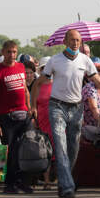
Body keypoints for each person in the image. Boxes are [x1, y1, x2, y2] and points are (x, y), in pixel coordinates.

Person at [33, 29, 100, 198]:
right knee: (60, 146)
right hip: (57, 106)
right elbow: (38, 83)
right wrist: (33, 105)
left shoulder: (85, 60)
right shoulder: (55, 60)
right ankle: (68, 186)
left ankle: (62, 179)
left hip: (76, 108)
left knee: (73, 148)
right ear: (65, 41)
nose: (76, 43)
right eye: (73, 40)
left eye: (78, 41)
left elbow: (99, 82)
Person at [0, 41, 32, 194]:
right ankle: (9, 184)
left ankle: (22, 182)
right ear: (3, 52)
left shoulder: (21, 67)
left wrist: (30, 108)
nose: (12, 55)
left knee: (25, 149)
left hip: (24, 115)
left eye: (14, 51)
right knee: (11, 151)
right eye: (8, 52)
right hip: (6, 117)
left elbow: (25, 89)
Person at [30, 56, 55, 189]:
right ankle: (45, 180)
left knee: (57, 152)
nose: (47, 71)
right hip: (42, 123)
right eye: (44, 68)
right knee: (44, 152)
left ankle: (55, 179)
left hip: (56, 123)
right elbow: (32, 106)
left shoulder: (57, 84)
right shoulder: (37, 85)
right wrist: (34, 119)